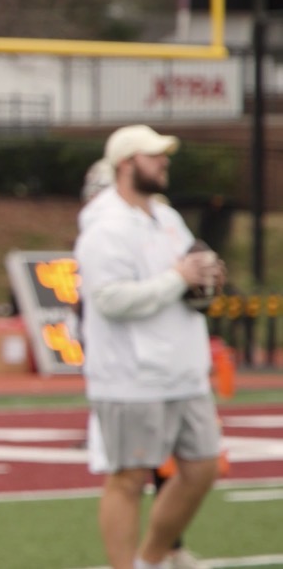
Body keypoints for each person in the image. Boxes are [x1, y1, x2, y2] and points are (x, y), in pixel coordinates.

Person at [75, 125, 226, 569]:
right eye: (153, 154)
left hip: (183, 369)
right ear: (126, 163)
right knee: (127, 478)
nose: (164, 161)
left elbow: (187, 272)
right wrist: (178, 278)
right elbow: (109, 300)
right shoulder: (105, 227)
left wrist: (205, 276)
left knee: (203, 468)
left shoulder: (166, 217)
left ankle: (153, 558)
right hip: (131, 375)